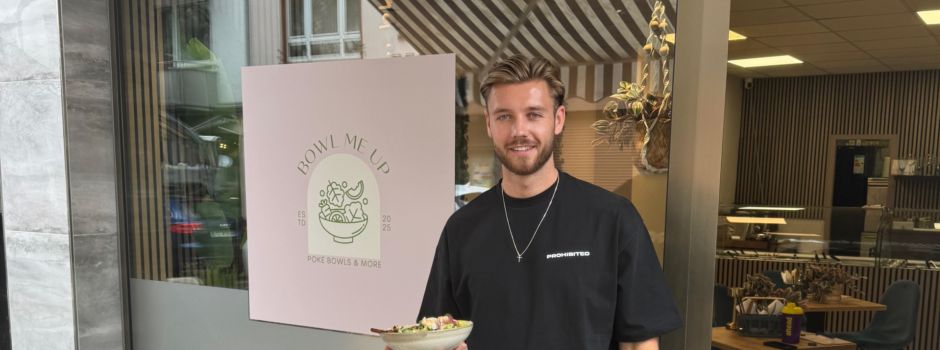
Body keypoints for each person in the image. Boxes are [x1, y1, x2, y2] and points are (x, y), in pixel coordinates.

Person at [408, 55, 681, 350]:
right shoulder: (461, 229)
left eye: (534, 114)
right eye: (504, 116)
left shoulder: (612, 219)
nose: (519, 131)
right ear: (489, 124)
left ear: (558, 119)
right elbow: (436, 336)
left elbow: (639, 344)